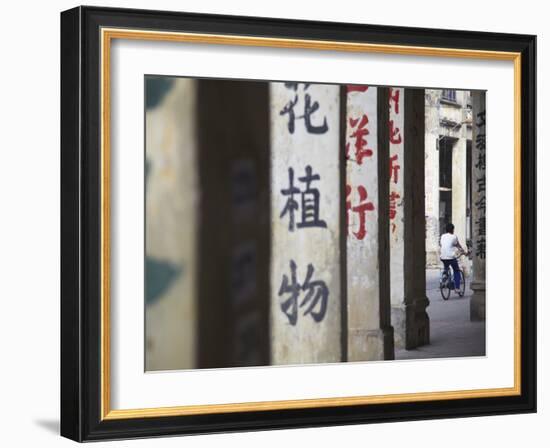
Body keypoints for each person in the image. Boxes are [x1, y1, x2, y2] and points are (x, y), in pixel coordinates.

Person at [440, 223, 467, 290]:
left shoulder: (442, 236)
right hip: (451, 257)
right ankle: (457, 288)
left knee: (446, 266)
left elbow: (443, 245)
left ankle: (444, 278)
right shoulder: (454, 237)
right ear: (452, 230)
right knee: (456, 270)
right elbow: (458, 246)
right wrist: (464, 252)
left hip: (442, 257)